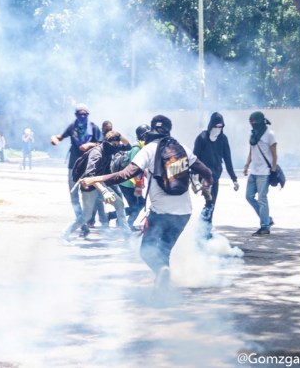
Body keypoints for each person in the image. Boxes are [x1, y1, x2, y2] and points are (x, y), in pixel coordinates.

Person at [81, 115, 213, 289]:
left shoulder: (149, 149)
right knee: (164, 251)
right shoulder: (183, 149)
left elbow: (125, 174)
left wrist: (95, 179)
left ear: (152, 130)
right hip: (184, 214)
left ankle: (162, 274)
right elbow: (208, 172)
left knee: (146, 251)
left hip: (160, 213)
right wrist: (206, 187)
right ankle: (162, 288)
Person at [62, 130, 132, 241]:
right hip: (89, 187)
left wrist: (119, 135)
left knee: (119, 204)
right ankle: (65, 234)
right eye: (114, 143)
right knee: (86, 216)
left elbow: (128, 146)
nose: (116, 145)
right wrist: (104, 192)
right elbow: (90, 177)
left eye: (117, 143)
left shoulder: (110, 148)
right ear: (107, 142)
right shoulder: (97, 153)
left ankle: (127, 236)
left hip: (100, 184)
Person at [50, 103, 102, 226]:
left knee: (89, 194)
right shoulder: (72, 127)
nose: (82, 116)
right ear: (76, 115)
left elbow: (101, 143)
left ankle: (89, 219)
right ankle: (81, 222)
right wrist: (54, 139)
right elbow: (60, 137)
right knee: (74, 196)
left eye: (84, 114)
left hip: (89, 166)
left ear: (88, 114)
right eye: (80, 114)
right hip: (73, 165)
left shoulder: (94, 128)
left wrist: (89, 145)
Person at [193, 112, 239, 238]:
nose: (218, 129)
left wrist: (234, 178)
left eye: (221, 127)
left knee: (212, 203)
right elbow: (194, 158)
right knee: (210, 202)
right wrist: (194, 177)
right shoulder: (202, 138)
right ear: (211, 125)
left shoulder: (223, 139)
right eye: (216, 126)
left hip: (216, 177)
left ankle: (203, 228)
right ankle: (204, 230)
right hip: (204, 177)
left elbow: (228, 159)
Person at [243, 111, 277, 236]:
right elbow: (251, 152)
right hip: (254, 171)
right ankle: (267, 219)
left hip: (264, 172)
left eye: (254, 121)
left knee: (262, 199)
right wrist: (247, 165)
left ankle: (265, 227)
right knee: (249, 196)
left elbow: (274, 154)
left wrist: (273, 170)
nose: (252, 124)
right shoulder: (253, 134)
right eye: (250, 122)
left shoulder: (269, 135)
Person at [117, 124, 149, 230]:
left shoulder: (142, 147)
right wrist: (138, 185)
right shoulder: (136, 149)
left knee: (138, 205)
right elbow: (134, 169)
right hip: (128, 184)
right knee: (136, 207)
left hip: (132, 183)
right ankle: (126, 226)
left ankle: (116, 216)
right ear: (142, 136)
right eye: (147, 134)